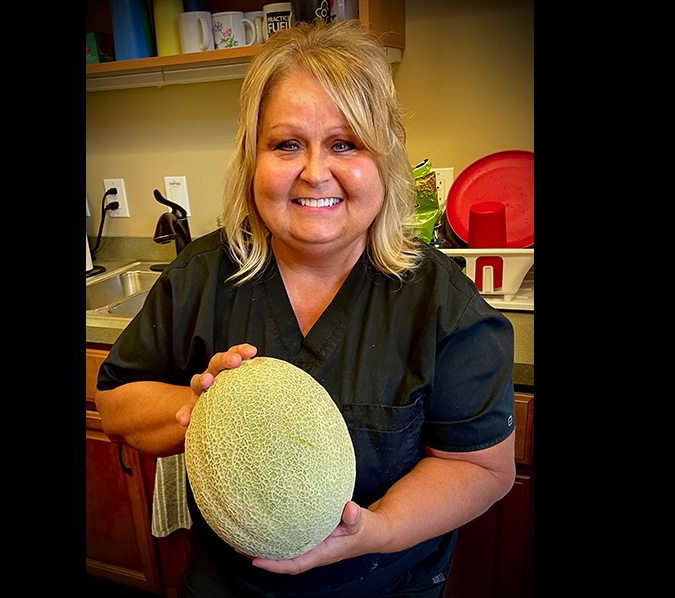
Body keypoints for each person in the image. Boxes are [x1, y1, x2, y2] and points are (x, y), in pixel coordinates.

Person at [95, 18, 516, 598]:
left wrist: (375, 529)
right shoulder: (200, 274)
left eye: (345, 144)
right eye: (287, 144)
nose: (315, 172)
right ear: (252, 160)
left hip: (386, 584)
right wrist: (199, 408)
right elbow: (115, 404)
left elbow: (482, 468)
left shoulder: (444, 304)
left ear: (384, 161)